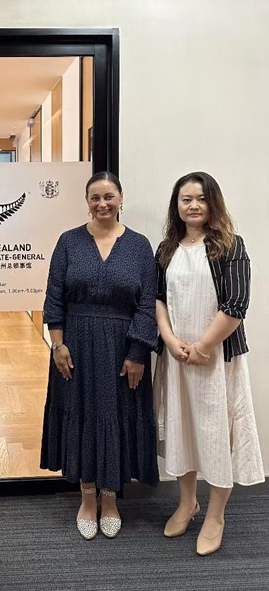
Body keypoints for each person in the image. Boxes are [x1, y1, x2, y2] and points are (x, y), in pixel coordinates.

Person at [41, 171, 159, 540]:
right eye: (95, 197)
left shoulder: (139, 246)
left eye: (109, 196)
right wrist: (57, 344)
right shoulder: (69, 241)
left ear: (121, 199)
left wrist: (138, 352)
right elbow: (54, 297)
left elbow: (147, 305)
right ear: (87, 202)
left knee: (114, 414)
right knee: (83, 414)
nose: (102, 203)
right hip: (75, 346)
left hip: (123, 349)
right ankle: (87, 497)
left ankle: (110, 498)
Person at [153, 171, 264, 556]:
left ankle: (216, 515)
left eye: (201, 198)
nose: (194, 205)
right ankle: (187, 503)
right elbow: (157, 299)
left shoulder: (230, 246)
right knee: (181, 429)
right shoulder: (167, 248)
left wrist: (203, 346)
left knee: (217, 434)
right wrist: (171, 341)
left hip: (217, 359)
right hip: (177, 359)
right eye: (186, 199)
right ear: (177, 205)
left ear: (213, 202)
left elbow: (236, 305)